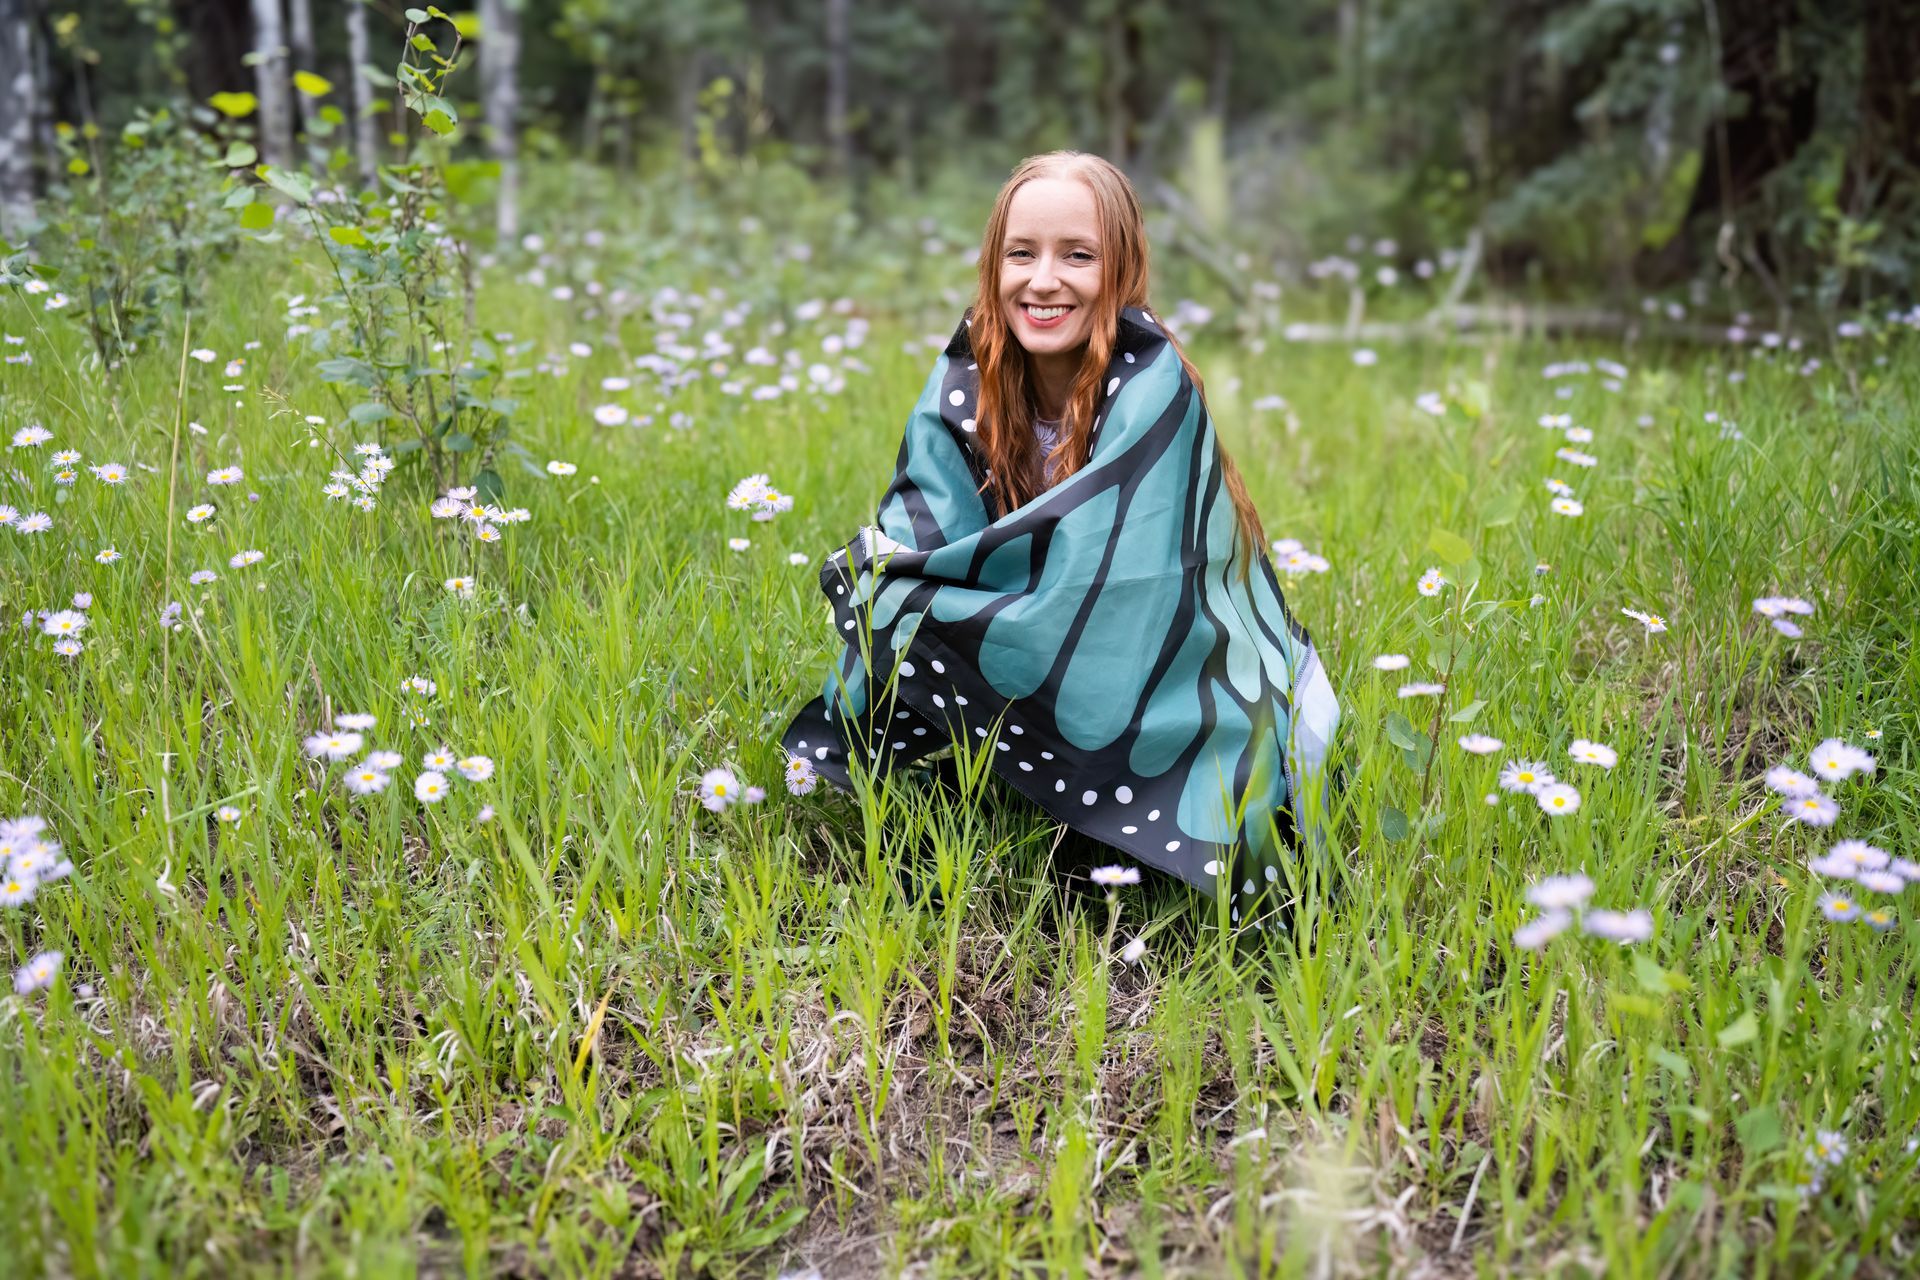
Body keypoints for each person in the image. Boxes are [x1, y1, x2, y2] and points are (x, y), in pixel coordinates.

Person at [781, 151, 1339, 926]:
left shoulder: (1153, 385)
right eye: (1022, 253)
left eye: (1077, 255)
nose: (1044, 281)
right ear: (993, 266)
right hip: (1045, 618)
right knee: (890, 589)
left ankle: (1112, 819)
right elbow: (924, 521)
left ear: (1122, 270)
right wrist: (889, 574)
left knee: (1247, 784)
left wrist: (989, 607)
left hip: (1178, 652)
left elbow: (1118, 580)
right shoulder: (970, 371)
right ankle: (1003, 793)